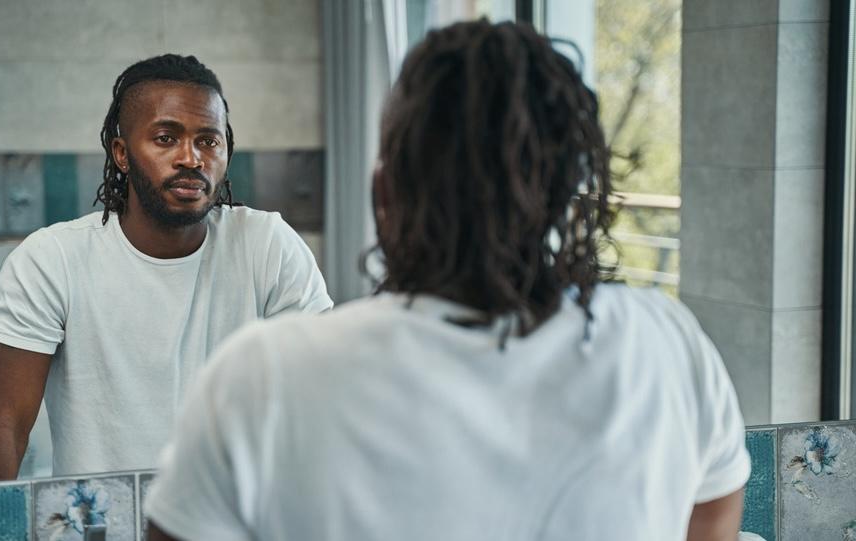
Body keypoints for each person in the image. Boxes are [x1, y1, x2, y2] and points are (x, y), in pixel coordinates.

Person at [146, 21, 749, 541]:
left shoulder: (266, 381)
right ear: (570, 194)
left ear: (385, 193)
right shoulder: (668, 345)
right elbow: (713, 516)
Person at [0, 54, 333, 482]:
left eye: (208, 141)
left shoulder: (267, 245)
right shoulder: (51, 260)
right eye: (166, 138)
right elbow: (1, 428)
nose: (191, 158)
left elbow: (321, 404)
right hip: (101, 522)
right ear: (121, 153)